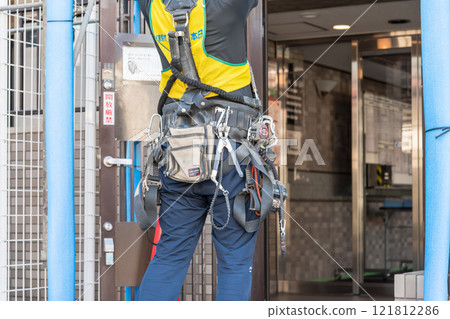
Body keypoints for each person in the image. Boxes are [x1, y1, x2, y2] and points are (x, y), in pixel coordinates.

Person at [136, 0, 260, 301]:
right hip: (232, 154)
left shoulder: (150, 6)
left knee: (168, 256)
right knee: (234, 262)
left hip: (178, 153)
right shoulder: (227, 5)